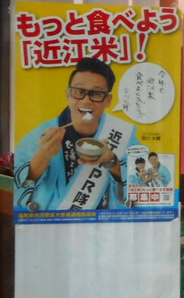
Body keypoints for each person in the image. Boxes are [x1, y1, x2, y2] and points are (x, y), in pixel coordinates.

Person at [14, 57, 140, 211]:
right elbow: (19, 190)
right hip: (54, 226)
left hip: (107, 226)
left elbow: (142, 185)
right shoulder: (39, 136)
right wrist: (44, 155)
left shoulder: (122, 135)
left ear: (108, 100)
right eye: (79, 91)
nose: (86, 100)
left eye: (96, 93)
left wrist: (111, 161)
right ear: (68, 95)